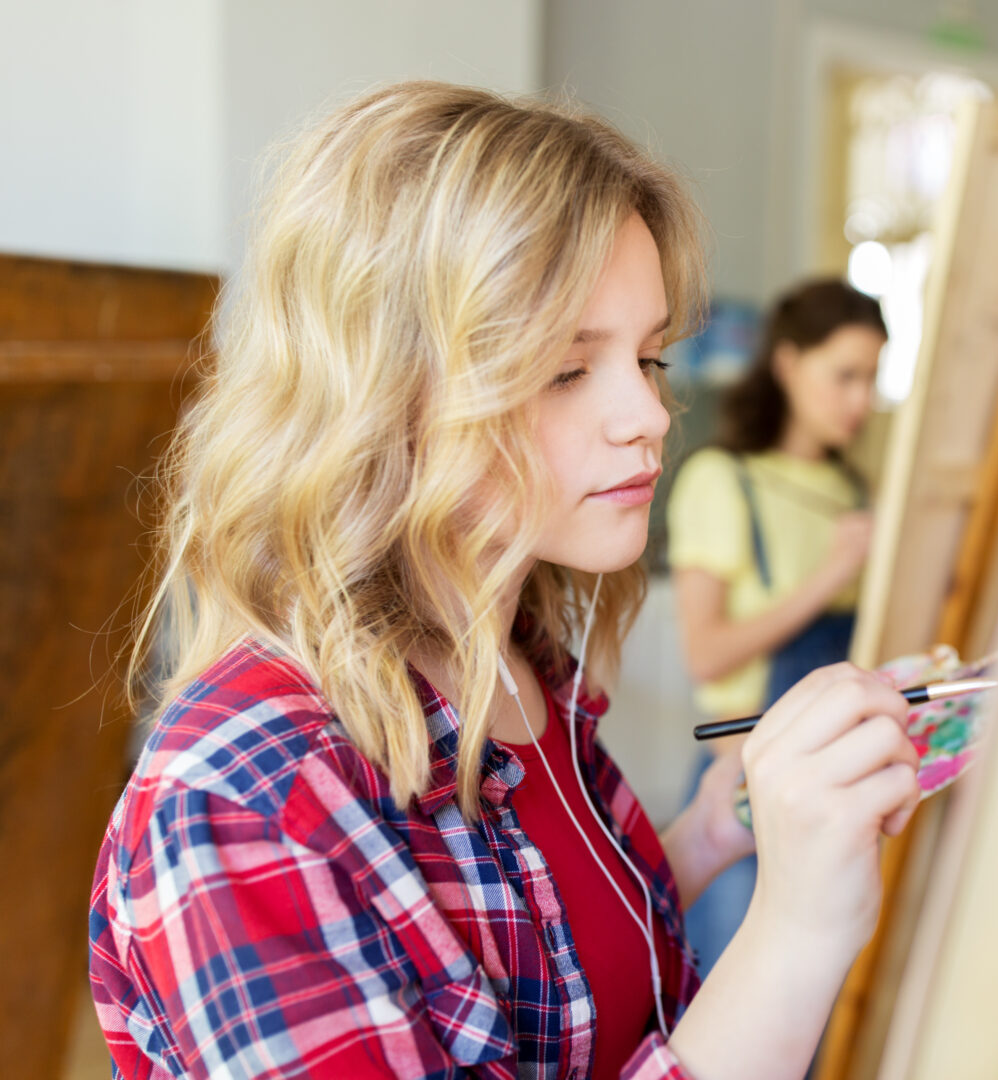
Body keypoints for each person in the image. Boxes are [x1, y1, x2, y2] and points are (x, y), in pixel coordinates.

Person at [87, 82, 920, 1080]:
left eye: (649, 358)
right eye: (567, 369)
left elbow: (536, 967)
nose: (650, 416)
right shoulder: (239, 801)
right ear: (385, 395)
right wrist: (797, 933)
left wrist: (702, 840)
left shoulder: (519, 659)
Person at [665, 280, 886, 974]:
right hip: (743, 788)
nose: (862, 401)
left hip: (840, 784)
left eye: (872, 379)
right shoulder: (722, 479)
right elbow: (706, 654)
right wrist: (831, 573)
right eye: (844, 375)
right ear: (788, 364)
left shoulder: (856, 492)